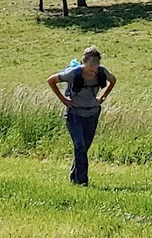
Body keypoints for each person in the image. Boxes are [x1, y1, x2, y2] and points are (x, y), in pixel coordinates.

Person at [48, 47, 115, 186]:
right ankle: (83, 182)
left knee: (84, 148)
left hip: (92, 113)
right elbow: (51, 80)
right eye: (90, 66)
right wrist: (64, 100)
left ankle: (75, 178)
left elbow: (113, 80)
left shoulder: (102, 72)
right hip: (74, 114)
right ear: (83, 63)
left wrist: (102, 97)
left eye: (95, 65)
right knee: (79, 145)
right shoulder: (74, 73)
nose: (93, 69)